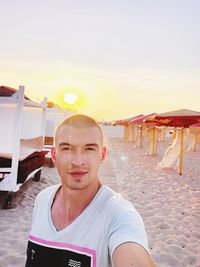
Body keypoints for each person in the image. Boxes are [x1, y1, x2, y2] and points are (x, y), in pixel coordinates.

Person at [25, 114, 156, 267]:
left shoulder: (118, 214)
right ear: (54, 155)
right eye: (67, 148)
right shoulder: (43, 199)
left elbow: (132, 255)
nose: (78, 161)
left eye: (89, 149)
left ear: (102, 155)